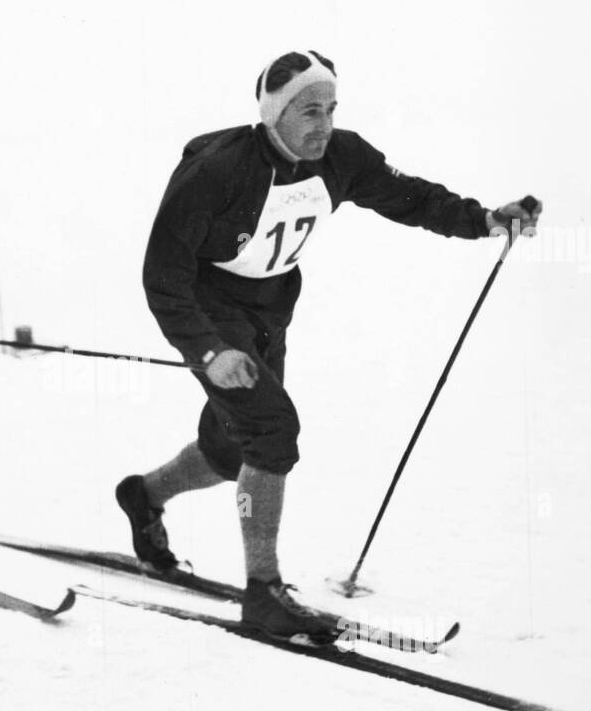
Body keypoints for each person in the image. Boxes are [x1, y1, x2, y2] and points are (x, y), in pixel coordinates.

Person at [119, 49, 541, 641]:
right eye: (309, 111)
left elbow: (412, 198)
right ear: (274, 114)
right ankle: (263, 593)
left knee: (231, 449)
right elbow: (163, 276)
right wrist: (210, 352)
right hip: (209, 309)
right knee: (270, 431)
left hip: (270, 309)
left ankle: (144, 495)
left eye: (331, 109)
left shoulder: (341, 157)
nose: (324, 125)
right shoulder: (216, 170)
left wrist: (485, 220)